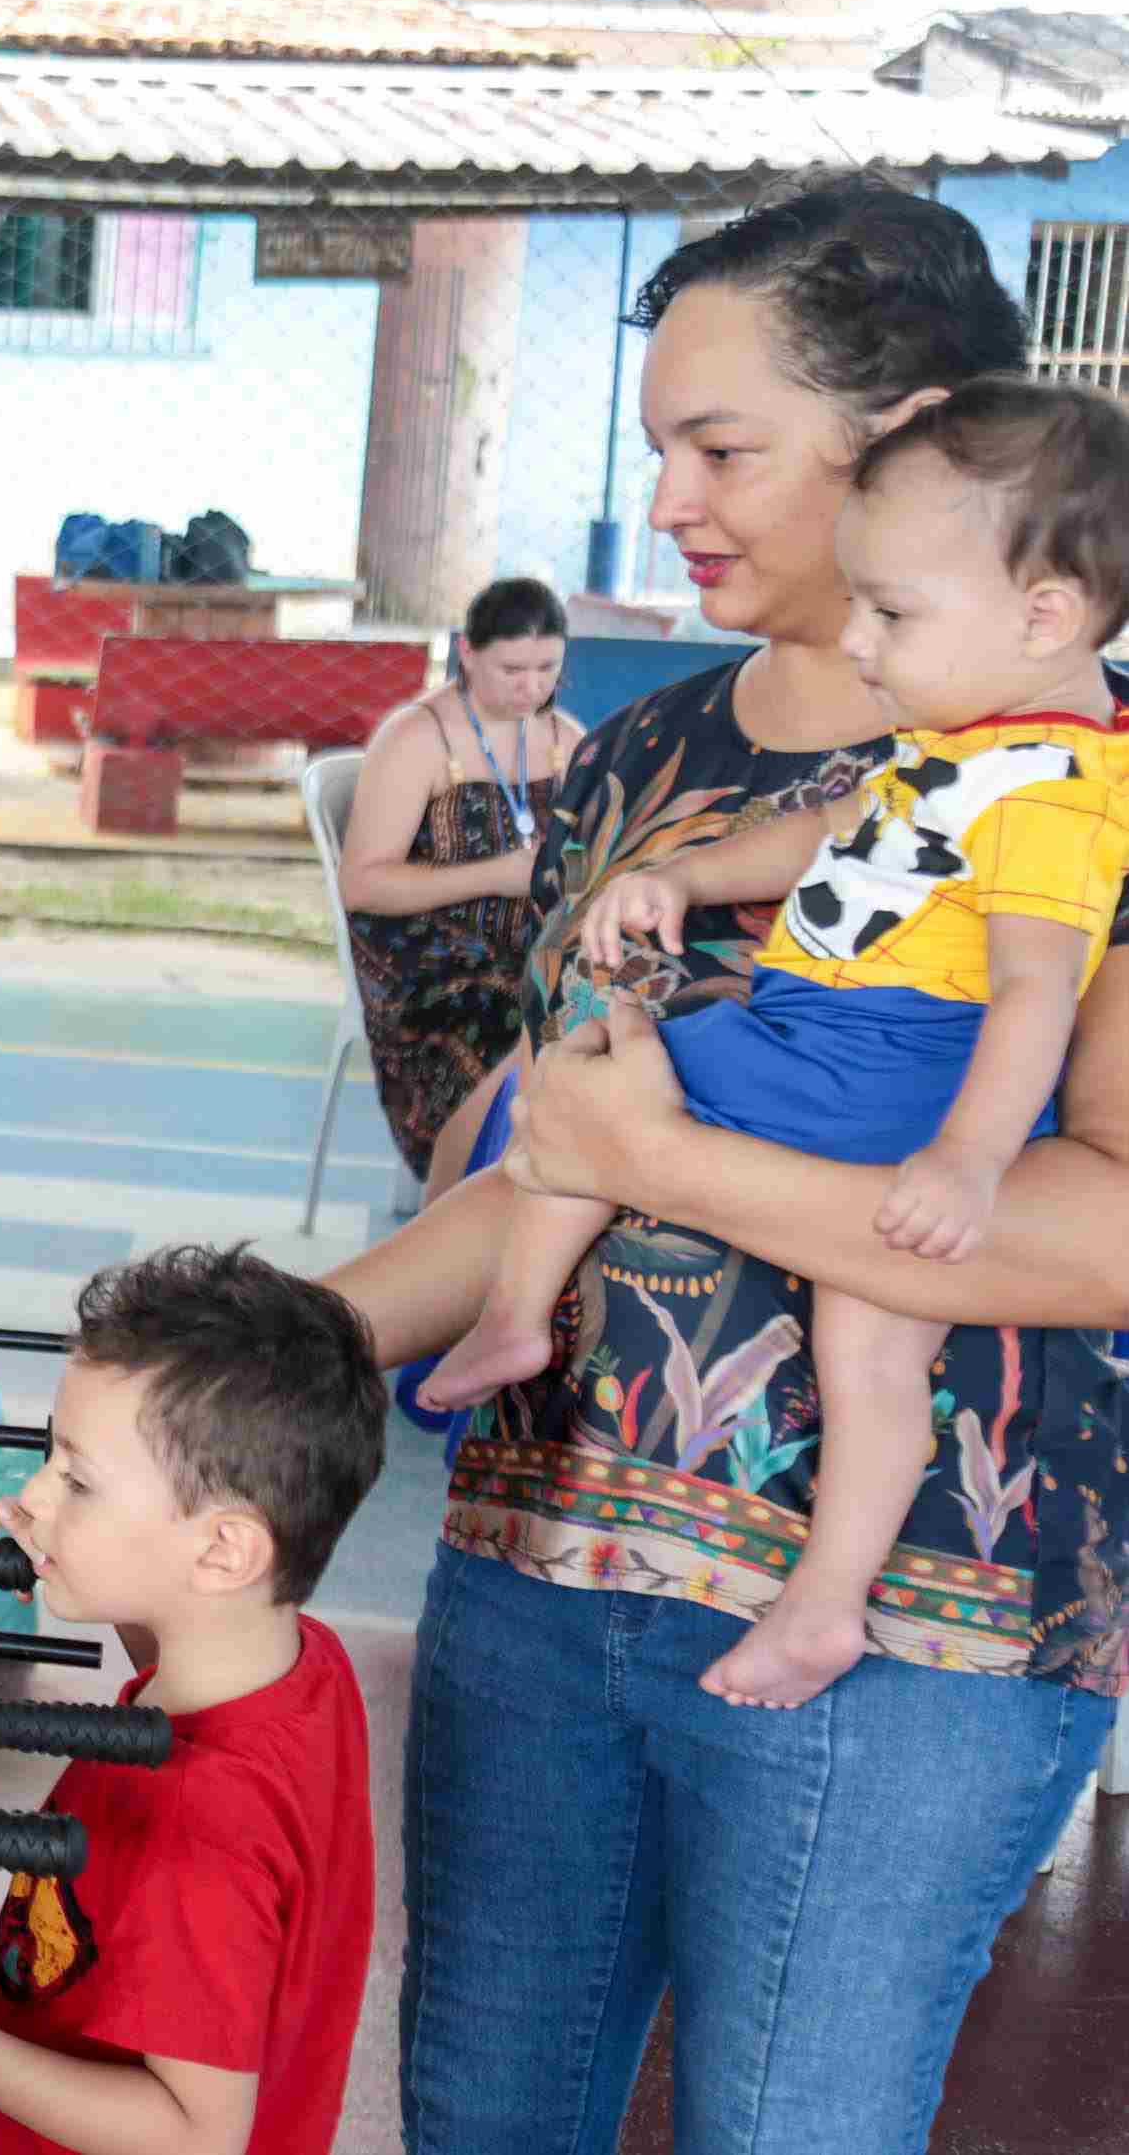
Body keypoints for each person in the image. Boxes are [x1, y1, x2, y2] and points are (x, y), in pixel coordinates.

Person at [323, 174, 1125, 2155]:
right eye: (657, 444)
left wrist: (660, 1153)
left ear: (909, 434)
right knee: (479, 2120)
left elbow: (1104, 1223)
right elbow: (547, 1153)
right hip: (536, 1569)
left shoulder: (1086, 788)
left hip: (913, 1630)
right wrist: (270, 1349)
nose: (666, 497)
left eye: (720, 447)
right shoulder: (637, 760)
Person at [425, 379, 1129, 1714]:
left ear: (1044, 616)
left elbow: (1036, 994)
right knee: (874, 1354)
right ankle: (824, 1604)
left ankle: (515, 1313)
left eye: (891, 614)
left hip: (876, 1059)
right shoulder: (976, 740)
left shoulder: (1052, 797)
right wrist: (687, 874)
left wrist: (968, 1160)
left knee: (599, 1070)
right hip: (863, 1059)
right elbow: (831, 831)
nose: (859, 642)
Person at [0, 1244, 385, 2155]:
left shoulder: (199, 1827)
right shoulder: (299, 1665)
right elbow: (172, 1631)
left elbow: (196, 2136)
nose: (33, 1497)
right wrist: (67, 1549)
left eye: (76, 1481)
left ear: (224, 1551)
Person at [336, 577, 583, 1181]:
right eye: (512, 669)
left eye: (547, 668)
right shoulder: (418, 737)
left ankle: (567, 1193)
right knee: (517, 1012)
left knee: (618, 1003)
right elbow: (363, 885)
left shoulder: (565, 739)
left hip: (534, 937)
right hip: (424, 951)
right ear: (468, 654)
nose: (531, 687)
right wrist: (497, 876)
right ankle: (466, 1198)